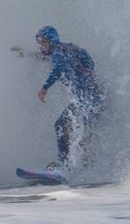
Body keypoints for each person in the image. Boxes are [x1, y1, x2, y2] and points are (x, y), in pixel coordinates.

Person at [11, 25, 104, 170]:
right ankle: (84, 168)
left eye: (43, 42)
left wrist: (44, 88)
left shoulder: (58, 53)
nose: (41, 46)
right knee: (82, 133)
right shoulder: (68, 49)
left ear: (51, 41)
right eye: (39, 43)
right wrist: (27, 53)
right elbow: (88, 61)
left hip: (87, 100)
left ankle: (65, 165)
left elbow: (59, 68)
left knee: (61, 125)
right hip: (95, 98)